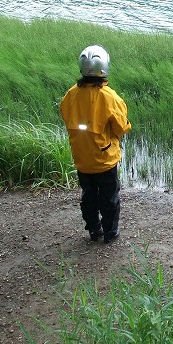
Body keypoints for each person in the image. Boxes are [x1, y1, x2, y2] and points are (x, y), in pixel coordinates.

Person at [59, 45, 131, 244]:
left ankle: (94, 230)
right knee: (109, 197)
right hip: (104, 159)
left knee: (88, 195)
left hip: (82, 158)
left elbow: (65, 115)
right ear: (104, 67)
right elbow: (121, 127)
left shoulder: (71, 94)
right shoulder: (109, 97)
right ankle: (110, 232)